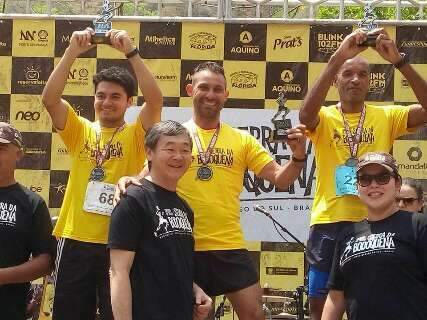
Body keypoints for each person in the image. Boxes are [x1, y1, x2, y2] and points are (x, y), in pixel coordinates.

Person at [117, 61, 307, 320]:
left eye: (218, 89)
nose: (210, 94)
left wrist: (297, 157)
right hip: (184, 246)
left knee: (255, 315)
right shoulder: (177, 138)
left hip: (228, 245)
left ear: (226, 95)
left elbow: (281, 180)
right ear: (189, 89)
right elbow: (147, 177)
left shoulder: (242, 140)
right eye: (203, 87)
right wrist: (128, 179)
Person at [298, 27, 427, 319]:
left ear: (371, 81)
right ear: (335, 81)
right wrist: (337, 57)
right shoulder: (326, 115)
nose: (355, 79)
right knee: (320, 306)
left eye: (363, 74)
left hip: (374, 222)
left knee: (375, 297)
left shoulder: (386, 115)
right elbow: (305, 116)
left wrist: (400, 63)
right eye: (347, 73)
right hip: (329, 221)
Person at [41, 27, 162, 320]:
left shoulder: (135, 134)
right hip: (75, 238)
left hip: (119, 241)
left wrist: (131, 52)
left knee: (115, 314)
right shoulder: (80, 130)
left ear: (129, 102)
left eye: (115, 97)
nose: (106, 102)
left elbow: (156, 100)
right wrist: (72, 51)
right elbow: (50, 99)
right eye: (101, 96)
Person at [109, 120, 212, 320]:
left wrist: (195, 290)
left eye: (185, 150)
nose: (178, 156)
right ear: (149, 153)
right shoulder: (132, 200)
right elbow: (117, 272)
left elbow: (171, 264)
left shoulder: (185, 208)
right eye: (169, 148)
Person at [322, 152, 427, 320]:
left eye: (383, 177)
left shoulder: (419, 225)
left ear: (397, 184)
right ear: (357, 187)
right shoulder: (347, 235)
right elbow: (336, 297)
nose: (373, 185)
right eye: (365, 179)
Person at [0, 122, 56, 319]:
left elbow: (45, 261)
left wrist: (2, 276)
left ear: (18, 154)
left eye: (1, 148)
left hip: (9, 309)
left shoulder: (32, 203)